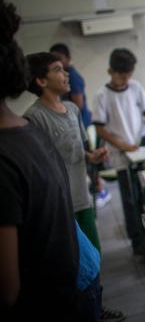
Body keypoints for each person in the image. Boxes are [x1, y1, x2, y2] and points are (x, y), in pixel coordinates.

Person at [0, 0, 81, 320]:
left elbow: (6, 291)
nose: (66, 75)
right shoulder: (29, 130)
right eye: (58, 70)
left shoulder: (7, 156)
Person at [25, 52, 107, 252]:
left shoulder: (72, 109)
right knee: (73, 260)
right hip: (59, 205)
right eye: (58, 70)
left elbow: (78, 151)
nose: (66, 74)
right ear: (41, 80)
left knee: (94, 255)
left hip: (83, 198)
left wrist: (92, 156)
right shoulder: (33, 118)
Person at [92, 48, 145, 257]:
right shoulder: (102, 95)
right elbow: (100, 127)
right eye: (121, 76)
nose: (125, 80)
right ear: (110, 71)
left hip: (140, 150)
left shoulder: (136, 87)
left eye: (129, 76)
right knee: (130, 201)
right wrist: (121, 145)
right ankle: (138, 242)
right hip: (121, 156)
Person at [49, 43, 112, 209]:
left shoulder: (73, 77)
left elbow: (78, 104)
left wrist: (73, 126)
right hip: (77, 125)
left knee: (87, 158)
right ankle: (98, 184)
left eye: (60, 60)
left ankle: (100, 189)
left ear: (68, 59)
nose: (60, 65)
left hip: (82, 125)